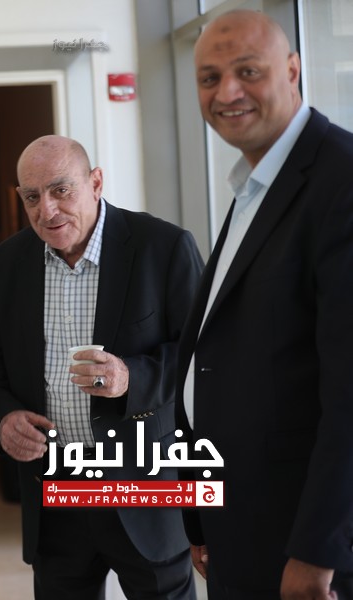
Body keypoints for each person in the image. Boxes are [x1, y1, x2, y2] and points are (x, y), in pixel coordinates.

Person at [0, 134, 203, 599]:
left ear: (95, 182)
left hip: (144, 486)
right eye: (32, 197)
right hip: (55, 490)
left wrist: (132, 378)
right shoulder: (5, 265)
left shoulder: (163, 246)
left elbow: (204, 357)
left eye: (61, 190)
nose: (47, 210)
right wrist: (3, 418)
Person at [177, 9, 353, 599]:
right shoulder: (255, 186)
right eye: (209, 78)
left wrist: (317, 553)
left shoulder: (340, 181)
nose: (227, 92)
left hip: (303, 550)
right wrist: (201, 513)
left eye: (248, 71)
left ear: (293, 70)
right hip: (243, 527)